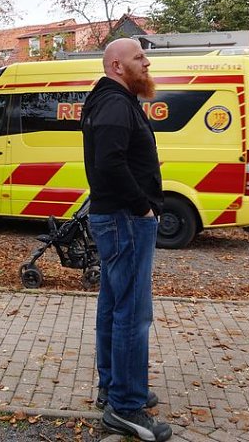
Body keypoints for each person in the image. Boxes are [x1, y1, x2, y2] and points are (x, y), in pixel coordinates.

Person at [81, 38, 172, 442]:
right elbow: (110, 163)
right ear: (117, 65)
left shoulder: (113, 100)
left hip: (117, 217)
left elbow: (117, 159)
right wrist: (142, 206)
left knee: (114, 305)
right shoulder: (116, 104)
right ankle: (126, 406)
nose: (146, 62)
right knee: (133, 314)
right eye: (139, 57)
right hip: (125, 219)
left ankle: (114, 387)